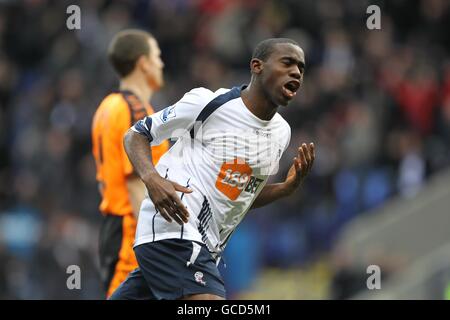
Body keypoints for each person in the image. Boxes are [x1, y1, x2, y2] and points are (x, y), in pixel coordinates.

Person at [110, 38, 315, 300]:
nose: (296, 72)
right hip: (174, 226)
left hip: (203, 246)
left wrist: (285, 189)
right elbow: (136, 134)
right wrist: (151, 178)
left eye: (301, 67)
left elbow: (237, 196)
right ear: (257, 66)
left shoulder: (280, 133)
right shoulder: (209, 103)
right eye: (287, 63)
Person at [91, 29, 169, 298]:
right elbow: (138, 183)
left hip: (114, 227)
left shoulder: (107, 106)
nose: (162, 63)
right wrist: (157, 242)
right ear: (143, 62)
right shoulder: (135, 110)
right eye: (157, 56)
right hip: (132, 233)